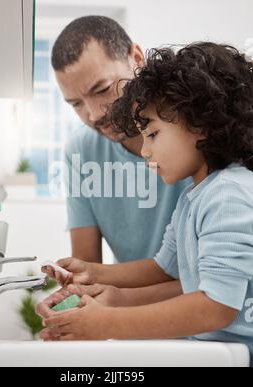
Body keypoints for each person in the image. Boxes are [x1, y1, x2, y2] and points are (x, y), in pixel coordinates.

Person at [38, 42, 253, 364]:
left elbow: (216, 306)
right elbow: (161, 268)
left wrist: (105, 323)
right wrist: (94, 272)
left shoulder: (229, 195)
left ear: (201, 124)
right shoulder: (194, 198)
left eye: (152, 134)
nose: (146, 151)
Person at [51, 16, 190, 267]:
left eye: (102, 89)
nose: (94, 115)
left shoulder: (192, 128)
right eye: (76, 104)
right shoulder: (80, 150)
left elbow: (214, 282)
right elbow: (87, 269)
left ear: (136, 59)